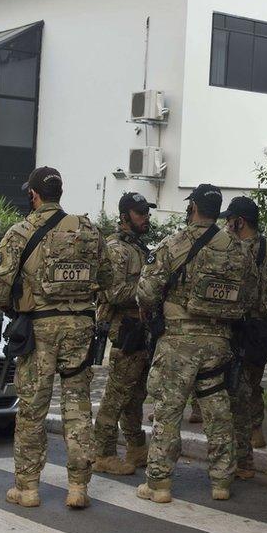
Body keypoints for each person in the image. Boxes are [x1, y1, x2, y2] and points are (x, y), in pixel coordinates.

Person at [0, 166, 113, 509]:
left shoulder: (21, 232)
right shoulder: (88, 232)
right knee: (78, 408)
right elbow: (109, 278)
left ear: (34, 195)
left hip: (39, 330)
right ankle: (77, 488)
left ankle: (27, 489)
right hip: (80, 329)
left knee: (32, 410)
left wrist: (17, 303)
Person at [135, 184, 257, 503]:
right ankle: (221, 482)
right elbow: (251, 295)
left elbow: (146, 292)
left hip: (177, 343)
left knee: (168, 410)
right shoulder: (238, 248)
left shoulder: (174, 243)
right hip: (219, 342)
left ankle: (159, 484)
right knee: (218, 410)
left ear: (193, 208)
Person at [220, 196, 267, 478]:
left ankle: (245, 443)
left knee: (240, 385)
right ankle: (256, 430)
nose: (226, 224)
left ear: (240, 221)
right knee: (254, 378)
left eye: (230, 220)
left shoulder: (240, 250)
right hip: (266, 327)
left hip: (244, 327)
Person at [91, 192, 156, 475]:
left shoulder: (138, 247)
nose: (146, 217)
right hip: (126, 330)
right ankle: (102, 452)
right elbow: (114, 292)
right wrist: (151, 291)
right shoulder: (117, 249)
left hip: (142, 330)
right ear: (125, 216)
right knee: (116, 395)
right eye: (140, 213)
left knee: (136, 394)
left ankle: (137, 447)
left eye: (147, 213)